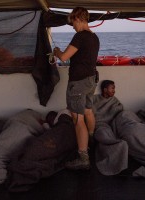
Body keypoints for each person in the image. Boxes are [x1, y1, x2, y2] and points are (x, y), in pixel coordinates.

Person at [53, 7, 100, 170]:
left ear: (78, 18)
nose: (72, 26)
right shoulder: (94, 37)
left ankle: (83, 157)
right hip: (90, 80)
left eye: (73, 22)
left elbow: (65, 57)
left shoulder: (80, 36)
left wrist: (57, 51)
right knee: (88, 110)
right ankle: (91, 139)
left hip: (79, 83)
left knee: (77, 119)